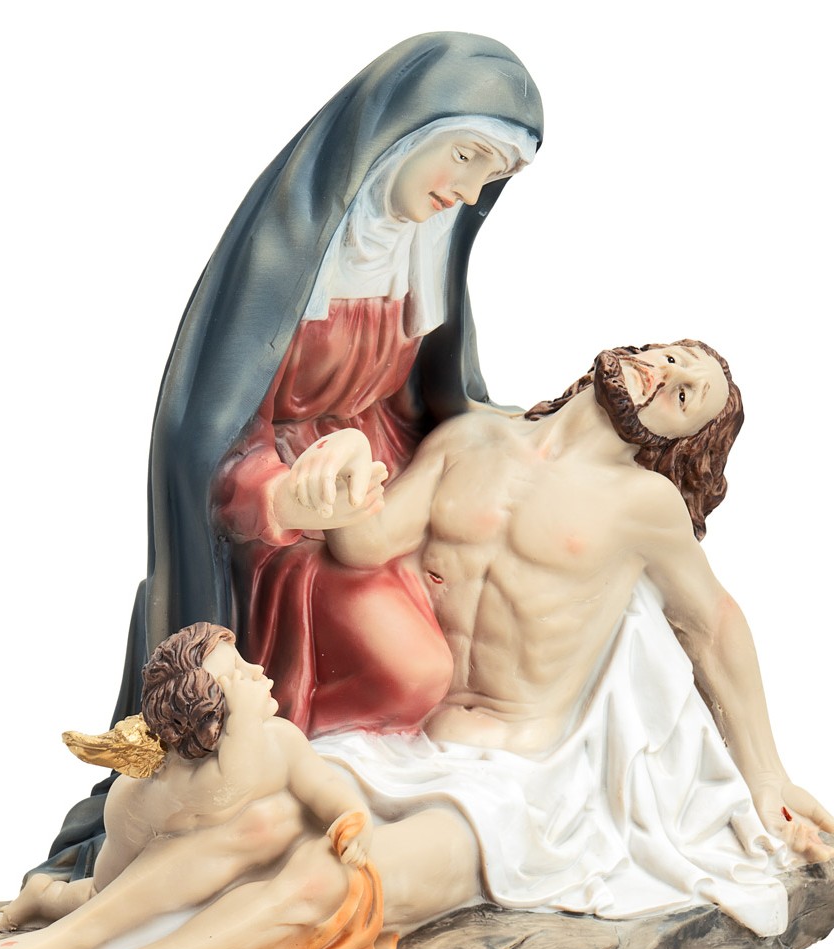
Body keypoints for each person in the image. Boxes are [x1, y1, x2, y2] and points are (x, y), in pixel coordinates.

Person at [0, 339, 834, 949]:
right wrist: (332, 480)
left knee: (327, 880)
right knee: (249, 822)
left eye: (686, 395)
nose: (666, 376)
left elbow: (711, 625)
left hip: (519, 788)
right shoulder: (470, 442)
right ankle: (61, 938)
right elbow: (367, 543)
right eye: (673, 358)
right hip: (407, 740)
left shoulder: (643, 505)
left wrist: (767, 775)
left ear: (682, 439)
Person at [38, 33, 543, 881]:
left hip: (391, 487)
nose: (468, 191)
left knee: (520, 609)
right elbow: (204, 439)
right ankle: (305, 801)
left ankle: (450, 811)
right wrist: (283, 499)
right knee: (416, 670)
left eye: (491, 177)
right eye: (465, 157)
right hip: (291, 524)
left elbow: (440, 398)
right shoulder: (286, 255)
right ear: (400, 132)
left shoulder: (427, 244)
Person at [0, 622, 373, 949]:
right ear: (210, 717)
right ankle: (43, 897)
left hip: (200, 876)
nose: (258, 669)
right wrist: (243, 719)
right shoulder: (185, 775)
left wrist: (351, 819)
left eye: (244, 661)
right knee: (97, 901)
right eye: (239, 675)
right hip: (133, 860)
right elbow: (229, 790)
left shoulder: (281, 740)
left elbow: (322, 784)